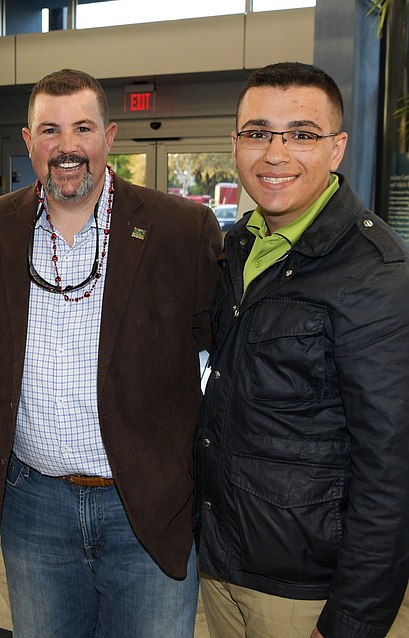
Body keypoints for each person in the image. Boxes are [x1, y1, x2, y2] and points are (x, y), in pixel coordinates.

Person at [0, 68, 222, 637]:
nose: (67, 146)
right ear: (29, 142)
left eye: (83, 128)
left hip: (146, 507)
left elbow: (225, 356)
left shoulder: (181, 228)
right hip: (34, 508)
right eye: (50, 131)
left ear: (109, 136)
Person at [195, 61, 409, 638]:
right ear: (236, 144)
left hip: (303, 592)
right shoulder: (240, 244)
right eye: (258, 133)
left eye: (302, 135)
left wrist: (351, 620)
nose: (275, 153)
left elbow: (390, 469)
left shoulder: (374, 275)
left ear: (336, 149)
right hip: (222, 565)